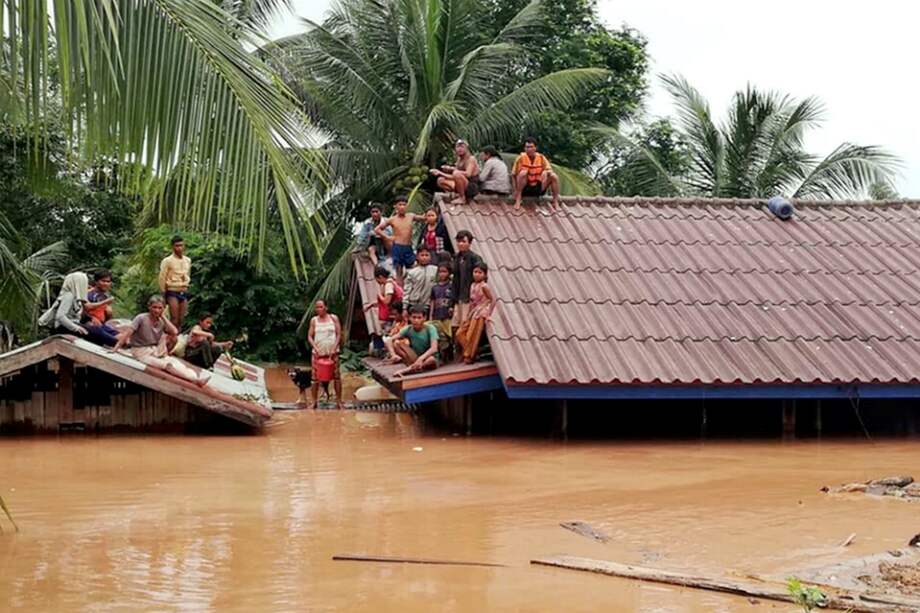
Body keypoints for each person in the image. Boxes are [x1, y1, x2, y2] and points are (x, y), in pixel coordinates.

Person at [112, 295, 210, 386]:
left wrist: (163, 317)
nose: (157, 310)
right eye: (154, 307)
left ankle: (195, 377)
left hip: (155, 350)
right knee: (167, 365)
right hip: (141, 351)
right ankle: (195, 381)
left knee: (178, 364)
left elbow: (174, 332)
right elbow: (127, 333)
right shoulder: (141, 318)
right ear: (149, 307)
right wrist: (116, 348)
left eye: (160, 308)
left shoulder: (161, 321)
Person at [46, 271, 116, 347]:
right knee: (96, 331)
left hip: (73, 324)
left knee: (95, 335)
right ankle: (118, 343)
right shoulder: (69, 295)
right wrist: (76, 328)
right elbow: (60, 317)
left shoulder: (76, 296)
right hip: (64, 327)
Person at [455, 262, 496, 364]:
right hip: (474, 311)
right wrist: (468, 314)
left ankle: (470, 355)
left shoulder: (484, 286)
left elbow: (492, 299)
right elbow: (472, 302)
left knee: (473, 334)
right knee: (460, 333)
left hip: (481, 312)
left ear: (485, 275)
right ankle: (469, 352)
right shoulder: (472, 285)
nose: (477, 274)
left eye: (480, 272)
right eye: (475, 272)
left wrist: (488, 313)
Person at [307, 300, 344, 410]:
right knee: (315, 379)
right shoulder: (314, 320)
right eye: (317, 307)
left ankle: (339, 401)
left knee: (336, 377)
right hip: (318, 354)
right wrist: (315, 347)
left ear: (326, 307)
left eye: (321, 307)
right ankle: (314, 401)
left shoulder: (334, 318)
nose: (319, 309)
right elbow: (309, 336)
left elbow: (338, 334)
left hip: (333, 353)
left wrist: (334, 348)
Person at [374, 196, 422, 280]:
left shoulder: (411, 216)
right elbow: (377, 229)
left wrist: (429, 215)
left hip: (408, 246)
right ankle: (400, 290)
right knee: (398, 270)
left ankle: (410, 287)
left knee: (413, 267)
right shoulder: (392, 219)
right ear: (395, 206)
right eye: (400, 205)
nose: (402, 207)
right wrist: (387, 237)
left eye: (404, 205)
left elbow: (424, 218)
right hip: (397, 247)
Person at [512, 137, 560, 211]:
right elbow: (513, 175)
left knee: (554, 176)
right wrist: (515, 190)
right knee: (523, 173)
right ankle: (518, 199)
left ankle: (555, 201)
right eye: (527, 147)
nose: (529, 149)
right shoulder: (520, 158)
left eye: (531, 147)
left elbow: (549, 170)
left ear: (535, 148)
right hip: (525, 188)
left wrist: (545, 172)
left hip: (538, 187)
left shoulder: (541, 158)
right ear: (524, 148)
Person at [450, 230, 483, 337]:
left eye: (463, 241)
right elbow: (455, 279)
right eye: (459, 242)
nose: (461, 244)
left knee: (464, 327)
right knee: (454, 325)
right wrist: (452, 300)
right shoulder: (456, 257)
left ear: (469, 243)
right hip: (458, 296)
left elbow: (481, 278)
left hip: (469, 297)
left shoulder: (475, 259)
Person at [430, 139, 480, 205]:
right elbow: (454, 176)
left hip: (471, 187)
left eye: (462, 147)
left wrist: (454, 171)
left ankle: (462, 198)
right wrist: (440, 173)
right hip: (461, 184)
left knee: (456, 174)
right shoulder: (459, 159)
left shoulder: (471, 159)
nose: (460, 149)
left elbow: (468, 174)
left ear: (467, 148)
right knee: (440, 180)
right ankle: (458, 194)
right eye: (458, 147)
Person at [393, 306, 440, 376]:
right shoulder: (408, 328)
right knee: (396, 344)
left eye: (419, 318)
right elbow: (390, 340)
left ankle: (408, 370)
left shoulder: (430, 328)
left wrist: (421, 358)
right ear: (409, 318)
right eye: (414, 317)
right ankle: (414, 366)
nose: (416, 320)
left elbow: (434, 348)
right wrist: (393, 355)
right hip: (415, 357)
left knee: (431, 359)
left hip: (428, 358)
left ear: (424, 318)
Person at [159, 235, 192, 330]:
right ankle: (168, 336)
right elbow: (162, 277)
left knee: (181, 319)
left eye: (181, 245)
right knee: (174, 318)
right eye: (177, 246)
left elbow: (188, 274)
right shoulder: (167, 261)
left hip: (184, 289)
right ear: (173, 247)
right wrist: (163, 293)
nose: (180, 248)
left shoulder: (187, 260)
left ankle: (177, 337)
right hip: (172, 290)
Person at [82, 270, 119, 347]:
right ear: (96, 281)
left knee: (122, 336)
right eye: (103, 281)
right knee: (115, 341)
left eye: (108, 281)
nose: (106, 284)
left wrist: (109, 314)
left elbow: (107, 315)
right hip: (90, 324)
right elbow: (84, 308)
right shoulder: (89, 293)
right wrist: (90, 318)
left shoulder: (104, 296)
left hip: (102, 325)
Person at [429, 263, 454, 362]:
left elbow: (453, 300)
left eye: (444, 272)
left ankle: (450, 354)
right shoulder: (434, 288)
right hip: (437, 315)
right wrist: (431, 315)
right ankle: (443, 356)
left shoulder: (451, 286)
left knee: (449, 335)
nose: (442, 274)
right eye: (440, 272)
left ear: (449, 273)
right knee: (440, 336)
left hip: (447, 315)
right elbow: (432, 302)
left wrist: (452, 309)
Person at [402, 246, 438, 315]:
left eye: (426, 255)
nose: (424, 257)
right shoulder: (412, 272)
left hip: (428, 305)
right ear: (417, 257)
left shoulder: (435, 270)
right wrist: (404, 308)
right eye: (422, 255)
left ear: (430, 257)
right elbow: (407, 290)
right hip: (413, 304)